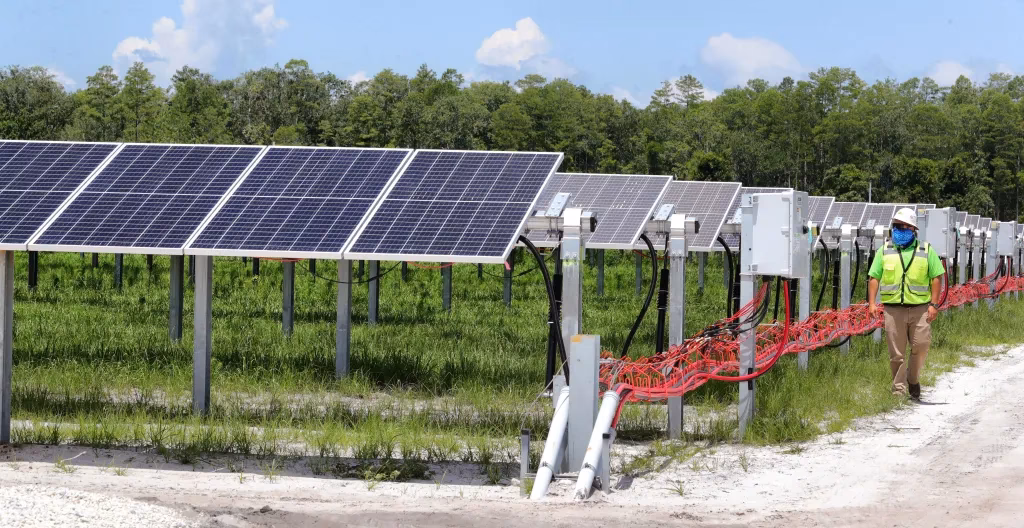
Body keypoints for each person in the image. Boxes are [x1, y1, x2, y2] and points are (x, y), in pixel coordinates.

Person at [867, 207, 945, 400]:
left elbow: (936, 276)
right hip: (893, 310)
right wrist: (871, 303)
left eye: (905, 226)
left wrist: (934, 305)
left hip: (920, 309)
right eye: (897, 226)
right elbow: (874, 277)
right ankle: (899, 389)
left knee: (921, 345)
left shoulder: (925, 250)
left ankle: (913, 378)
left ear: (913, 229)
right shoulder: (885, 250)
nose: (901, 229)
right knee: (897, 353)